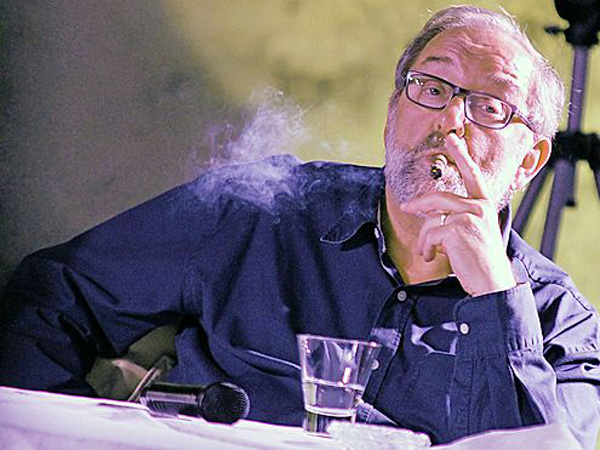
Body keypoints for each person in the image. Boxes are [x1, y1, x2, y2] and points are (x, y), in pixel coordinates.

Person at [1, 5, 599, 449]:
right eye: (431, 87)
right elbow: (53, 295)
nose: (449, 119)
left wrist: (495, 297)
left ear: (529, 161)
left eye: (490, 106)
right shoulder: (263, 211)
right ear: (393, 114)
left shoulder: (562, 325)